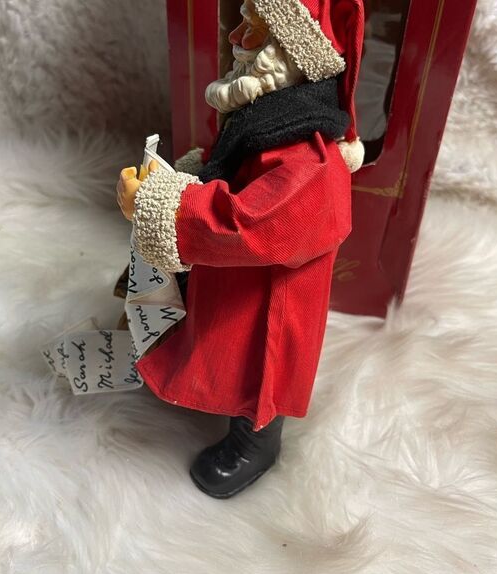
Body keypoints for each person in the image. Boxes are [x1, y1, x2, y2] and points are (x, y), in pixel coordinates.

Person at [116, 0, 365, 499]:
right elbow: (227, 166)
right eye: (243, 24)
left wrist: (167, 205)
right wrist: (183, 176)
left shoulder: (311, 160)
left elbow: (250, 222)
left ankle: (256, 443)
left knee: (259, 370)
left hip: (273, 295)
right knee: (221, 344)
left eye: (253, 30)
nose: (235, 38)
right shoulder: (265, 114)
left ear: (289, 53)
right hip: (236, 278)